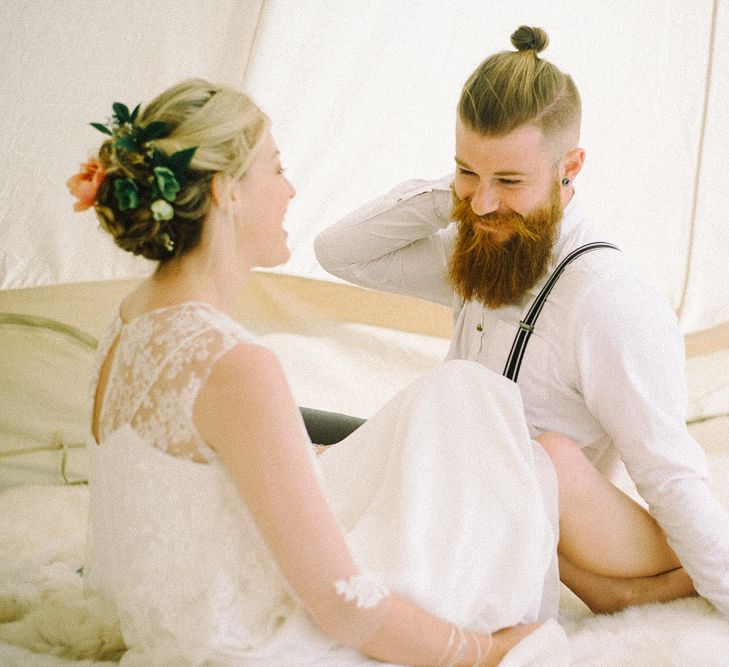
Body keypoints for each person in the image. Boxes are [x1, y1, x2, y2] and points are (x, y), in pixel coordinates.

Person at [69, 78, 577, 665]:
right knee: (481, 419)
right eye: (276, 168)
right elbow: (340, 605)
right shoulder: (233, 364)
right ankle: (660, 576)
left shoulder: (131, 319)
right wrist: (478, 650)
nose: (290, 189)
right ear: (225, 192)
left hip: (182, 617)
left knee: (460, 397)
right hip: (253, 642)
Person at [314, 25, 729, 617]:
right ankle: (599, 588)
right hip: (474, 502)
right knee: (300, 443)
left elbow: (671, 473)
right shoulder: (482, 239)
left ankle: (617, 583)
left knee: (544, 454)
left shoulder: (608, 300)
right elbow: (339, 252)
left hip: (570, 512)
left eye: (509, 180)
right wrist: (455, 191)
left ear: (570, 167)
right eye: (468, 172)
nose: (483, 204)